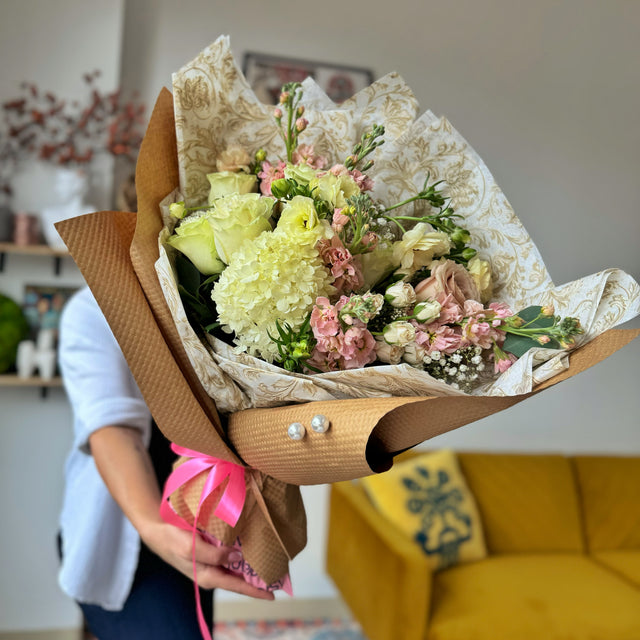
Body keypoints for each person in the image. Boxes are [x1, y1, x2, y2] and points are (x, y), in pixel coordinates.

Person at [57, 286, 273, 639]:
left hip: (200, 525)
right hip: (127, 531)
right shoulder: (93, 309)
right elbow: (113, 429)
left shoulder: (217, 300)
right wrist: (152, 528)